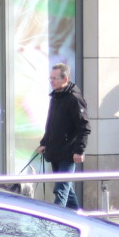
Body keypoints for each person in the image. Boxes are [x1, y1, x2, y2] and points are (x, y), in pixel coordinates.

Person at [38, 63, 90, 208]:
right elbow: (51, 124)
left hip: (68, 152)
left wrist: (79, 150)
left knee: (61, 189)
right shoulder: (56, 96)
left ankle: (56, 222)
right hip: (55, 151)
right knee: (66, 188)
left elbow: (84, 126)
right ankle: (78, 216)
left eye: (55, 78)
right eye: (50, 78)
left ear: (65, 79)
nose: (52, 81)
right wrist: (44, 142)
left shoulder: (74, 98)